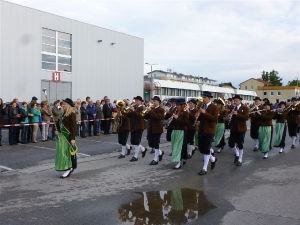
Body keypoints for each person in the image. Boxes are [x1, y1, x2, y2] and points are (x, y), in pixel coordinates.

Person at [55, 98, 78, 179]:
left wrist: (72, 139)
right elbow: (59, 124)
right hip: (62, 136)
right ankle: (66, 167)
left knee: (67, 153)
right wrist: (57, 130)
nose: (63, 105)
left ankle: (69, 168)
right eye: (62, 104)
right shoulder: (62, 114)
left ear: (69, 105)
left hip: (68, 136)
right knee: (63, 153)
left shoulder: (72, 114)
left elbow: (73, 127)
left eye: (64, 104)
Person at [197, 92, 218, 175]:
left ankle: (204, 168)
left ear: (209, 98)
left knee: (206, 149)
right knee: (201, 149)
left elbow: (214, 118)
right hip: (201, 129)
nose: (203, 99)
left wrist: (204, 113)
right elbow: (201, 117)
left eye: (205, 97)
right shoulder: (202, 106)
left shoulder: (214, 107)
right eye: (203, 97)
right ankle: (213, 159)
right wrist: (197, 117)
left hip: (209, 130)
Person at [165, 98, 189, 169]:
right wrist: (170, 117)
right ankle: (184, 157)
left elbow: (185, 123)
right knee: (175, 146)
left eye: (178, 105)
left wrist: (177, 118)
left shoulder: (185, 112)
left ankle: (178, 162)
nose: (177, 106)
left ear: (182, 105)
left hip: (181, 131)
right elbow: (169, 119)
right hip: (174, 130)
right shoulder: (175, 111)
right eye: (177, 105)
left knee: (179, 147)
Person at [228, 95, 249, 166]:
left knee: (240, 144)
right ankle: (237, 154)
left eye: (237, 101)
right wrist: (229, 116)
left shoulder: (245, 108)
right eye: (234, 101)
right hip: (234, 128)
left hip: (241, 128)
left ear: (240, 101)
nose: (235, 102)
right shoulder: (232, 108)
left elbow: (246, 117)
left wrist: (237, 114)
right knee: (230, 143)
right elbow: (231, 117)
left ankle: (240, 159)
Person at [144, 96, 165, 165]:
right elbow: (146, 117)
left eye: (155, 101)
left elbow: (157, 117)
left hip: (158, 129)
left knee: (156, 144)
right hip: (151, 128)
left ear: (158, 102)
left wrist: (150, 111)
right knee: (151, 143)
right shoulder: (152, 109)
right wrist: (146, 111)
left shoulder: (161, 109)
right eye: (153, 101)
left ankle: (155, 159)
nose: (153, 102)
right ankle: (160, 153)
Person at [127, 96, 147, 162]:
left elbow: (140, 116)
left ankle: (135, 156)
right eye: (135, 100)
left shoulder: (142, 108)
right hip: (133, 126)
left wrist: (133, 110)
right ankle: (143, 149)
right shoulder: (135, 107)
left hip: (139, 126)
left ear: (140, 101)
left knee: (137, 141)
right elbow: (129, 116)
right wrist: (129, 110)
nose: (136, 101)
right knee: (133, 141)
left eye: (137, 100)